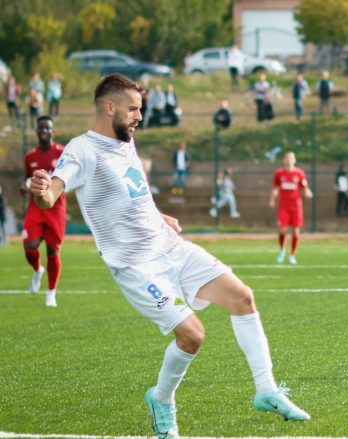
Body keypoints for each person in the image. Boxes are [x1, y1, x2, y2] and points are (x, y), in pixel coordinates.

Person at [29, 74, 309, 438]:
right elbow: (51, 194)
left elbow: (135, 190)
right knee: (192, 335)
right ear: (108, 106)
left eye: (140, 110)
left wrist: (156, 214)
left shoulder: (125, 142)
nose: (139, 117)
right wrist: (40, 192)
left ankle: (266, 390)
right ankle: (162, 400)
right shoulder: (82, 149)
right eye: (133, 109)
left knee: (243, 297)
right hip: (134, 265)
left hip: (170, 247)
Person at [21, 115, 67, 307]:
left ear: (53, 131)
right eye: (41, 128)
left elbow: (68, 179)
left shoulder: (63, 153)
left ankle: (51, 292)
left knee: (52, 251)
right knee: (29, 245)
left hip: (55, 206)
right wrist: (25, 187)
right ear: (36, 131)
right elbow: (26, 179)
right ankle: (38, 269)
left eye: (47, 128)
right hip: (35, 206)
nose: (44, 131)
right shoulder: (30, 156)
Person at [270, 151, 313, 265]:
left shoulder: (299, 173)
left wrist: (308, 192)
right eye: (287, 158)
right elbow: (275, 188)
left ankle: (292, 255)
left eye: (291, 158)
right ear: (284, 160)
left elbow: (304, 187)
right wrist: (272, 198)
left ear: (294, 160)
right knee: (282, 229)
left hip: (296, 206)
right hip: (283, 206)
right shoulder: (279, 173)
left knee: (296, 230)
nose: (289, 160)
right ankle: (282, 250)